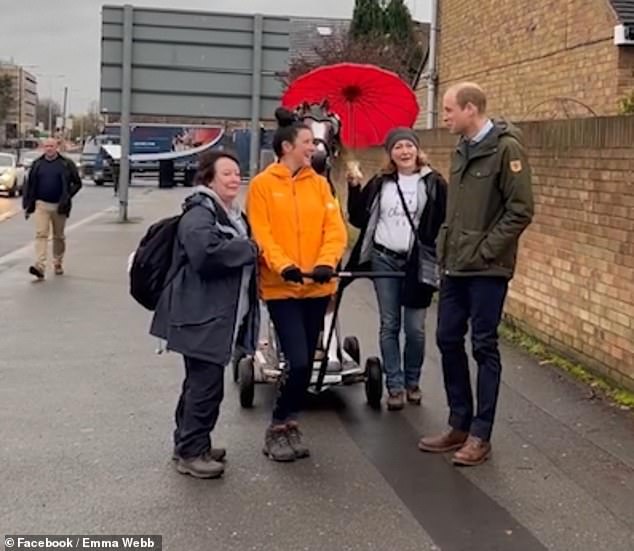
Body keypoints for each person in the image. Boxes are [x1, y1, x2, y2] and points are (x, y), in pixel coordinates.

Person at [418, 82, 534, 466]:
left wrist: (485, 251)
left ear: (471, 109)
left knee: (483, 345)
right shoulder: (460, 149)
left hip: (487, 269)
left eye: (449, 110)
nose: (444, 116)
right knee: (447, 337)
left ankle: (481, 435)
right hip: (455, 265)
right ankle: (459, 424)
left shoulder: (506, 149)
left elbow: (520, 210)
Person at [150, 150, 259, 479]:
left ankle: (189, 442)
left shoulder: (228, 213)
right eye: (225, 173)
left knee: (197, 382)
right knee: (206, 385)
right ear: (208, 177)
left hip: (211, 316)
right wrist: (251, 248)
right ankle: (192, 453)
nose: (233, 178)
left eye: (236, 172)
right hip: (200, 315)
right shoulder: (200, 212)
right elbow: (204, 254)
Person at [247, 107, 347, 462]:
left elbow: (335, 229)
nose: (313, 147)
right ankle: (277, 426)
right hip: (282, 288)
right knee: (299, 361)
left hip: (317, 287)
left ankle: (290, 423)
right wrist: (284, 265)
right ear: (287, 146)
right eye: (307, 142)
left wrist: (326, 262)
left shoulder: (319, 184)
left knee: (308, 364)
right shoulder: (261, 186)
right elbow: (262, 233)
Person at [345, 128, 447, 411]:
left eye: (408, 146)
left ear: (417, 149)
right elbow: (357, 219)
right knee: (390, 324)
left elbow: (443, 221)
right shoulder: (381, 183)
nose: (404, 151)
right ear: (390, 153)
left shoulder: (434, 182)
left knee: (415, 328)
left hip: (417, 263)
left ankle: (413, 380)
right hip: (384, 258)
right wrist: (354, 187)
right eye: (397, 147)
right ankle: (395, 385)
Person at [22, 138, 83, 279]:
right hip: (41, 204)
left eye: (51, 146)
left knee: (58, 236)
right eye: (46, 146)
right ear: (43, 148)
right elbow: (30, 185)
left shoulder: (66, 164)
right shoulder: (38, 164)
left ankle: (57, 261)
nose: (49, 149)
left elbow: (77, 183)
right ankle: (40, 266)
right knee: (41, 234)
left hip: (59, 206)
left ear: (57, 147)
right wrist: (28, 204)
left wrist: (67, 196)